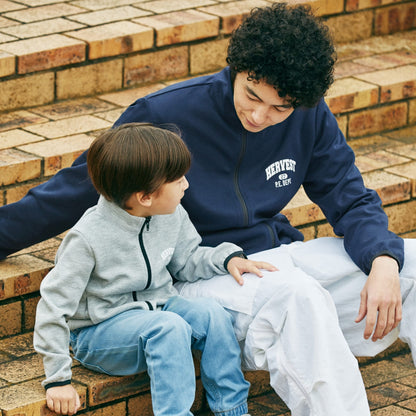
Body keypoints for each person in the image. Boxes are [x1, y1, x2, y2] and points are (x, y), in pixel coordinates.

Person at [1, 2, 415, 415]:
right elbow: (76, 189)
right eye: (252, 95)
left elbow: (350, 196)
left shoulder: (308, 113)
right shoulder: (165, 114)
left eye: (279, 108)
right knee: (298, 295)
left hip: (270, 259)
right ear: (238, 68)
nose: (259, 115)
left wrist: (382, 259)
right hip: (199, 276)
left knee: (408, 262)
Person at [34, 123, 275, 416]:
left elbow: (187, 259)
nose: (186, 185)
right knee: (169, 327)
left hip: (159, 308)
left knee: (212, 314)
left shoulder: (170, 214)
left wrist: (226, 259)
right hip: (100, 332)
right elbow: (53, 307)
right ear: (145, 197)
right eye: (178, 180)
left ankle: (232, 410)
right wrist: (58, 380)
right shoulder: (87, 238)